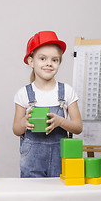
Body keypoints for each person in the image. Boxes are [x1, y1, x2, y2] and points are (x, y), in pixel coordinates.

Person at [13, 31, 82, 178]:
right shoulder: (24, 94)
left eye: (55, 60)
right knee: (34, 197)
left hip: (61, 159)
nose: (49, 63)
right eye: (42, 58)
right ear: (31, 61)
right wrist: (24, 122)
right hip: (32, 163)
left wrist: (61, 121)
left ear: (59, 63)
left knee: (59, 197)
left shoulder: (67, 92)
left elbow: (78, 127)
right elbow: (16, 130)